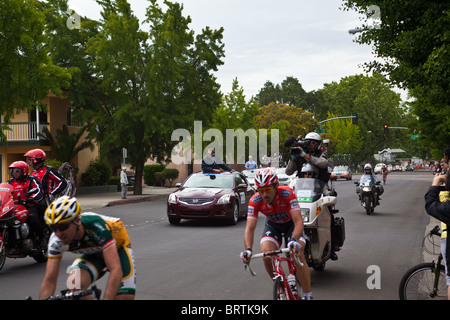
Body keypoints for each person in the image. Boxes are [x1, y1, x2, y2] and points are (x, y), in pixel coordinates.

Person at [39, 196, 136, 300]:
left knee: (124, 297)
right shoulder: (56, 241)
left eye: (63, 227)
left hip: (117, 249)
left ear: (77, 220)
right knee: (74, 284)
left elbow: (116, 270)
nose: (58, 233)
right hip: (94, 254)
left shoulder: (96, 226)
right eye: (54, 228)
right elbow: (50, 280)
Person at [240, 167, 313, 300]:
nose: (264, 195)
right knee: (266, 255)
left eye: (267, 190)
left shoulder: (287, 194)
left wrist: (294, 240)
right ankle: (280, 284)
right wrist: (248, 250)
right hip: (273, 226)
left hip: (292, 225)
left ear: (276, 186)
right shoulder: (255, 201)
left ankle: (308, 295)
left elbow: (298, 221)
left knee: (298, 253)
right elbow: (249, 228)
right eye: (261, 190)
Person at [7, 161, 46, 247]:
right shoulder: (10, 182)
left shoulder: (32, 179)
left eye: (17, 170)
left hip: (29, 206)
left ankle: (42, 236)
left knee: (32, 218)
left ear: (23, 171)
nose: (14, 173)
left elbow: (38, 191)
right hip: (15, 207)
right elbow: (4, 192)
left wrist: (31, 198)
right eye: (13, 171)